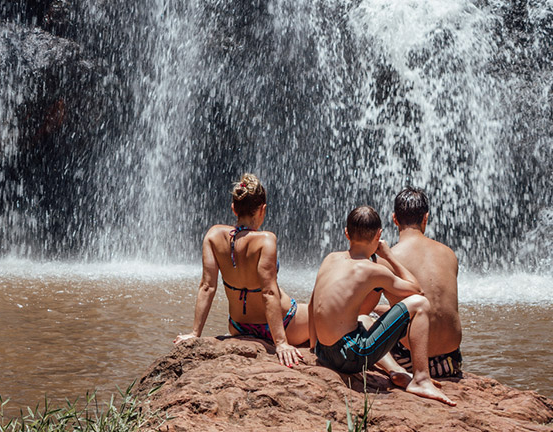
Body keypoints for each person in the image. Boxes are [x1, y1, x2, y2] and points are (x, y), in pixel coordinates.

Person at [308, 206, 455, 406]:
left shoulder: (330, 258)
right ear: (379, 235)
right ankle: (421, 380)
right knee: (420, 304)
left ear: (346, 232)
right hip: (350, 357)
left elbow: (312, 303)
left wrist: (314, 347)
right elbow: (416, 290)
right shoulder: (373, 270)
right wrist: (389, 256)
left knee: (364, 319)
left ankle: (396, 371)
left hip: (323, 352)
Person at [173, 173, 309, 367]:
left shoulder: (213, 235)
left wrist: (195, 334)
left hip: (238, 326)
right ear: (262, 209)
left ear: (234, 208)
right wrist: (281, 343)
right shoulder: (266, 240)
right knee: (323, 313)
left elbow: (207, 287)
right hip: (283, 325)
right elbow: (269, 292)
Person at [388, 188, 464, 378]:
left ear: (394, 219)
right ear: (426, 218)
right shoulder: (449, 254)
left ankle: (396, 372)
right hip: (450, 362)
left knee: (363, 321)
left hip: (409, 362)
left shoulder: (389, 258)